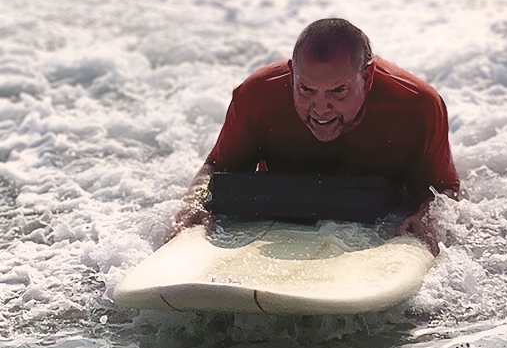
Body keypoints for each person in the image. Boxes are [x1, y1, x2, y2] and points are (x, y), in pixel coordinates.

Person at [167, 18, 459, 255]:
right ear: (292, 74)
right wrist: (193, 204)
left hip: (379, 211)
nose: (320, 109)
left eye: (338, 91)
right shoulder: (256, 97)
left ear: (367, 78)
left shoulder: (416, 106)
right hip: (283, 213)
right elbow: (216, 169)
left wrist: (426, 217)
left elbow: (444, 191)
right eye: (305, 89)